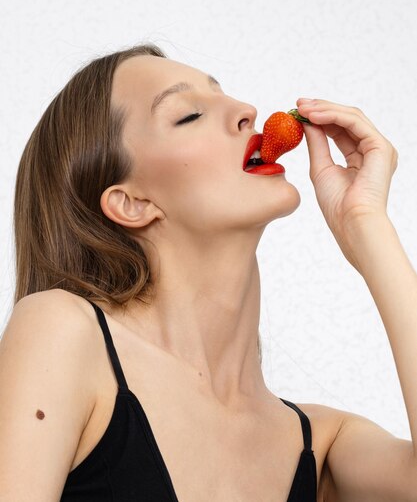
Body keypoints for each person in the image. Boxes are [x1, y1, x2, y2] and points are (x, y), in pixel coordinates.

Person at [0, 43, 416, 502]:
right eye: (188, 115)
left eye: (225, 95)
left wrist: (368, 227)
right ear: (132, 203)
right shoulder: (63, 332)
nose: (247, 111)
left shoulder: (321, 443)